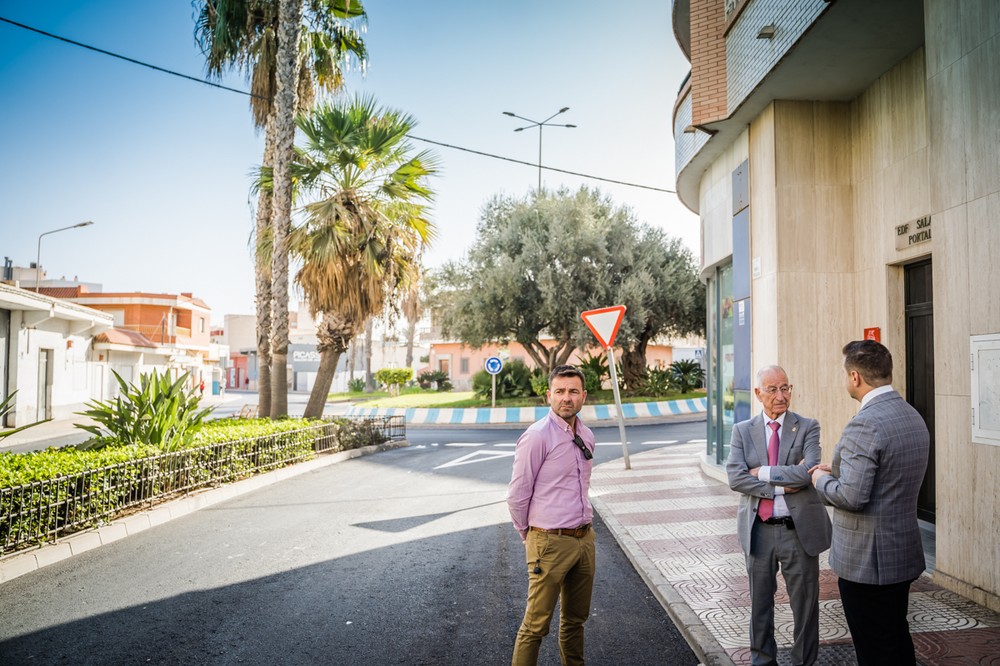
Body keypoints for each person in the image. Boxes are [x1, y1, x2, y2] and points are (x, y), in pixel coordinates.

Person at [810, 340, 929, 665]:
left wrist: (821, 480)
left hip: (868, 564)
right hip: (900, 553)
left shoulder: (865, 423)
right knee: (894, 637)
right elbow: (887, 477)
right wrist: (836, 470)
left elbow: (852, 496)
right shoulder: (911, 416)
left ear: (854, 377)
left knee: (874, 648)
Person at [727, 365, 831, 666]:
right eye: (772, 389)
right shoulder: (742, 431)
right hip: (759, 531)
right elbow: (735, 478)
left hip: (799, 532)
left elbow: (806, 472)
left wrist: (763, 473)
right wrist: (782, 488)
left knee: (806, 605)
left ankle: (803, 662)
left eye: (785, 387)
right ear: (759, 394)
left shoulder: (808, 426)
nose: (780, 395)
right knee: (760, 604)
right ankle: (762, 661)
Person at [507, 364, 596, 666]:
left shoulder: (587, 435)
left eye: (573, 391)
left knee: (575, 621)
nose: (566, 398)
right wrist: (529, 535)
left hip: (584, 540)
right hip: (548, 542)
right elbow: (518, 495)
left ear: (584, 396)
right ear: (549, 395)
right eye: (559, 391)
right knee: (535, 626)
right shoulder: (536, 436)